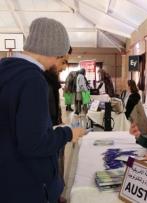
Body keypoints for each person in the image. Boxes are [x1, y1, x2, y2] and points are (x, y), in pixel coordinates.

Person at [0, 17, 86, 203]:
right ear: (51, 50)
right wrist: (67, 134)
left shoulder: (5, 69)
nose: (56, 65)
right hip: (27, 185)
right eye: (58, 57)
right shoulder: (33, 80)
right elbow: (33, 145)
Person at [44, 46, 73, 203]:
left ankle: (55, 193)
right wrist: (66, 133)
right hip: (49, 138)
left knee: (57, 163)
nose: (63, 67)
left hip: (54, 133)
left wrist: (58, 122)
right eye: (63, 62)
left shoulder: (50, 81)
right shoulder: (38, 81)